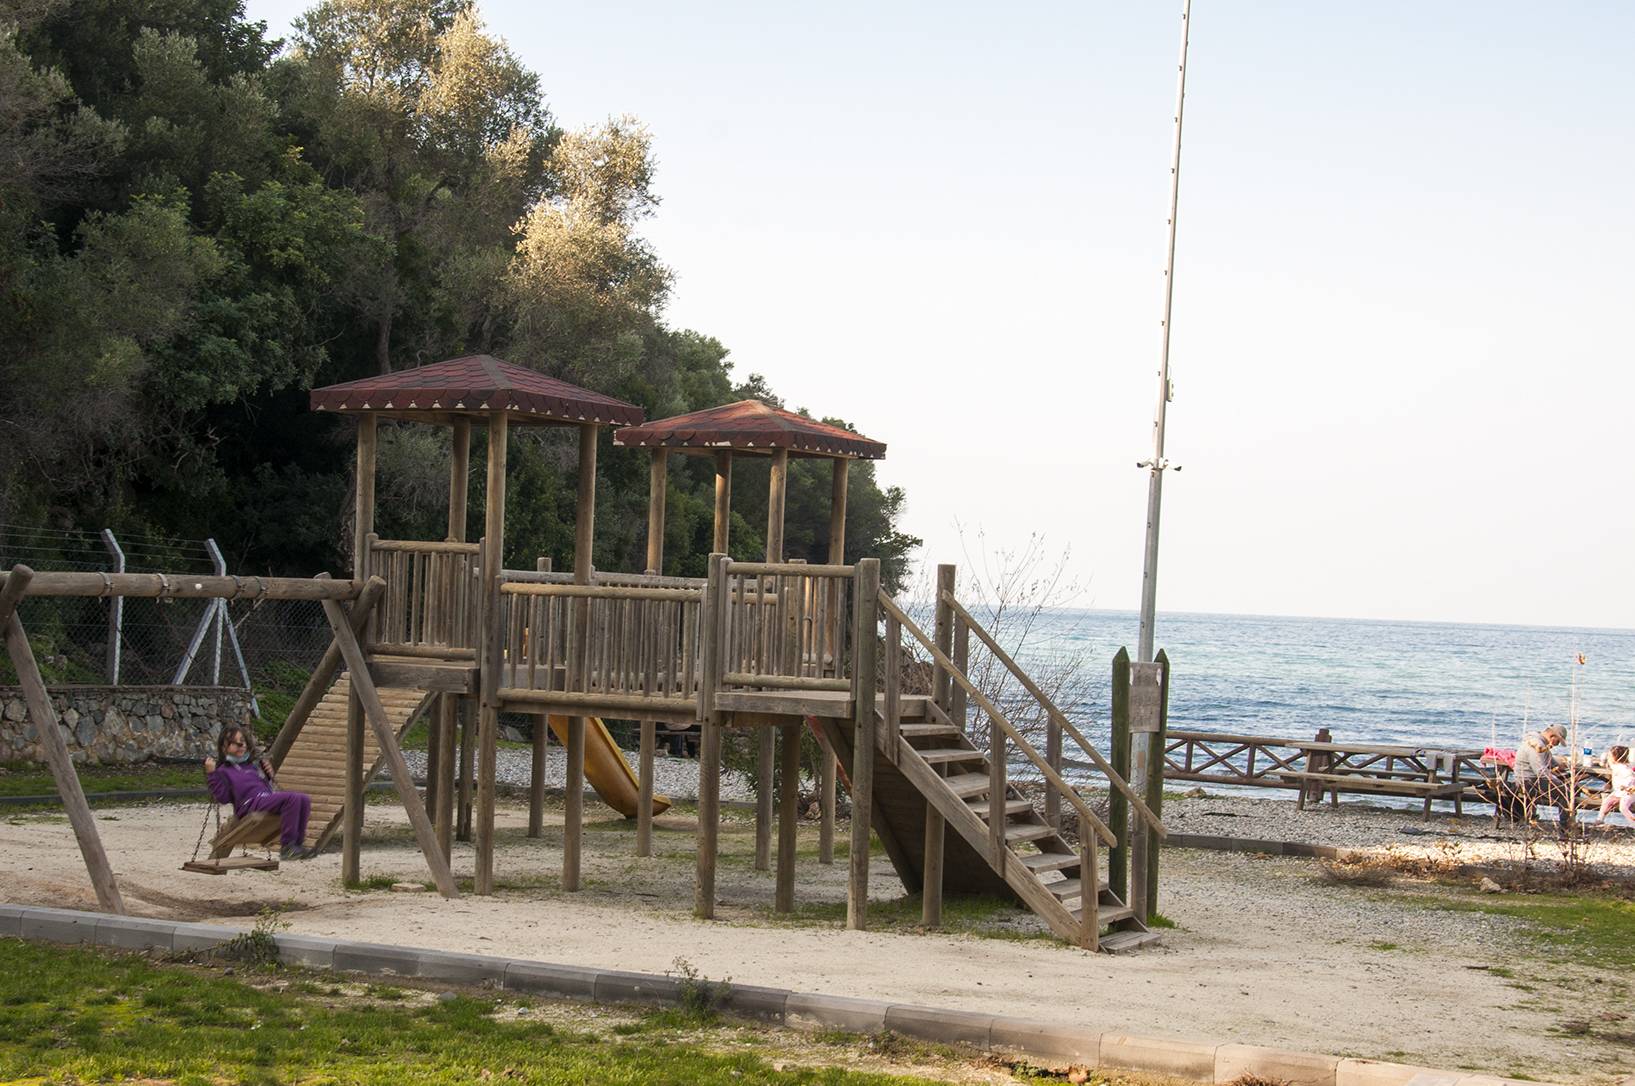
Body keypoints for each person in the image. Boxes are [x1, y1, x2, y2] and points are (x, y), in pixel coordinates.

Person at [204, 725, 316, 860]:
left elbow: (263, 788)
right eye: (234, 742)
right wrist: (211, 774)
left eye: (242, 741)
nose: (240, 745)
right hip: (248, 804)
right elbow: (223, 798)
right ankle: (288, 846)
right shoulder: (223, 770)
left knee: (304, 799)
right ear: (223, 748)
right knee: (292, 798)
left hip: (262, 799)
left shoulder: (251, 766)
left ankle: (298, 845)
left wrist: (268, 776)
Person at [1512, 725, 1572, 831]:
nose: (1557, 744)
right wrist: (1557, 781)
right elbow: (1540, 771)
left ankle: (1567, 822)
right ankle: (1565, 826)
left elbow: (1549, 760)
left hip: (1529, 779)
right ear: (1552, 736)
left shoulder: (1540, 742)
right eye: (1558, 741)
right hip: (1528, 782)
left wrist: (1561, 766)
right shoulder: (1537, 744)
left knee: (1569, 787)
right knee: (1565, 792)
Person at [1597, 745, 1634, 827]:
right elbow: (1609, 764)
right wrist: (1603, 760)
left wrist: (1627, 786)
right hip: (1618, 792)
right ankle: (1600, 819)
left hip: (1629, 793)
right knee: (1607, 802)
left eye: (1610, 756)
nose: (1609, 758)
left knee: (1623, 807)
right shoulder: (1616, 766)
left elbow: (1631, 778)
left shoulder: (1625, 768)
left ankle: (1633, 822)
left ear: (1616, 757)